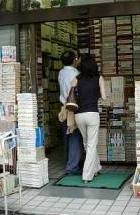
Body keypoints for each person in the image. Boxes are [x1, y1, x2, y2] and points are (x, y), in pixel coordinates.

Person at [72, 54, 106, 183]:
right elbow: (104, 97)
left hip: (78, 115)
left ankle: (96, 168)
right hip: (92, 114)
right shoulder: (99, 78)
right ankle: (87, 175)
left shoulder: (76, 79)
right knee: (91, 145)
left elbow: (69, 95)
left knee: (87, 143)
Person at [58, 50, 83, 174]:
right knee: (75, 136)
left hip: (63, 107)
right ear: (74, 60)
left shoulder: (61, 73)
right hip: (73, 107)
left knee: (67, 136)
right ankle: (72, 166)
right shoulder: (76, 73)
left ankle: (69, 162)